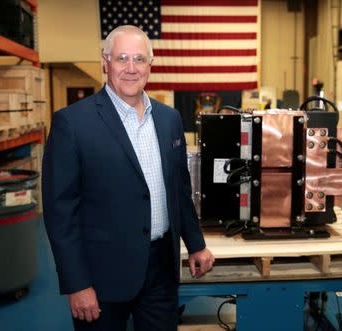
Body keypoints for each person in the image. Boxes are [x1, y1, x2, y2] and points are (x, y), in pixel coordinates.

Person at [42, 25, 215, 331]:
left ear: (151, 63)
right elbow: (60, 213)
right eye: (122, 58)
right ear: (105, 62)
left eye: (139, 59)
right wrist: (76, 283)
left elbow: (179, 190)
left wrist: (196, 244)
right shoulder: (73, 123)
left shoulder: (169, 119)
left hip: (161, 266)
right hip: (102, 274)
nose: (131, 69)